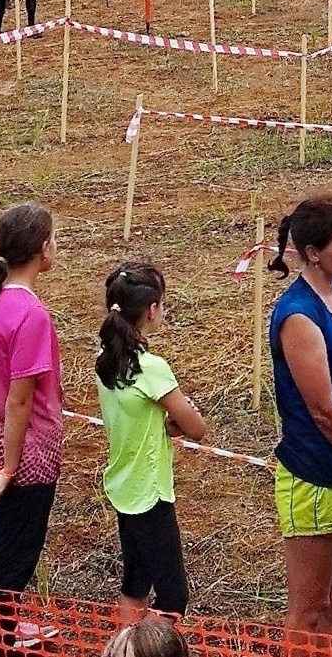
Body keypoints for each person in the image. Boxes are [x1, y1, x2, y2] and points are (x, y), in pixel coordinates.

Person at [266, 195, 332, 636]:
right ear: (312, 253)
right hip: (316, 473)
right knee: (308, 608)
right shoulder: (298, 317)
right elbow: (323, 411)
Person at [97, 262, 206, 622]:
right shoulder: (150, 367)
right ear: (151, 310)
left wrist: (167, 420)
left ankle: (125, 645)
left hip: (123, 484)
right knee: (174, 596)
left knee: (136, 581)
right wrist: (179, 415)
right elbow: (196, 428)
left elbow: (144, 417)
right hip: (150, 491)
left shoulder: (107, 361)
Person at [0, 203, 63, 600]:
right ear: (43, 249)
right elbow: (21, 401)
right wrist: (9, 466)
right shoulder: (33, 315)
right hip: (29, 452)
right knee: (12, 566)